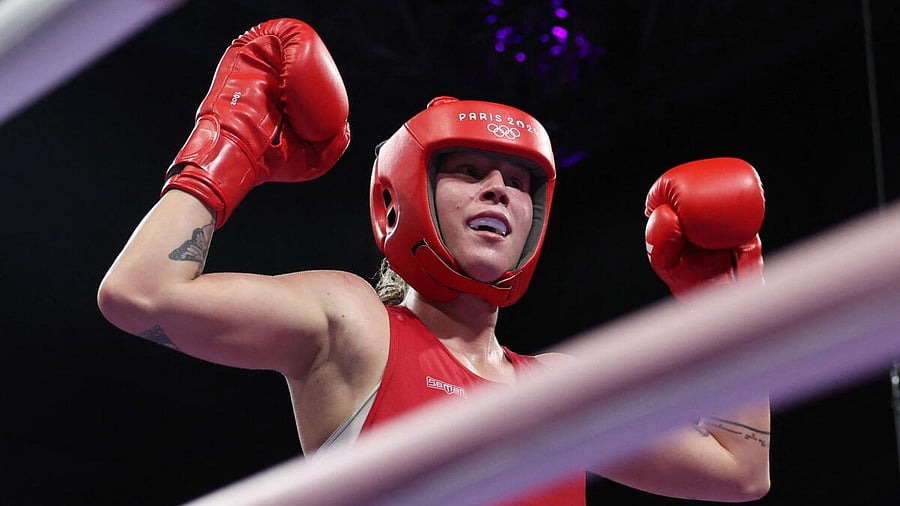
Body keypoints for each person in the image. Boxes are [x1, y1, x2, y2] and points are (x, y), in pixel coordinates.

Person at [97, 17, 770, 505]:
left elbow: (741, 473)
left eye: (516, 182)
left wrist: (729, 297)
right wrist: (232, 140)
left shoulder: (558, 390)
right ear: (401, 199)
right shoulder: (355, 324)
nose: (499, 191)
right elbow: (140, 296)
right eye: (470, 171)